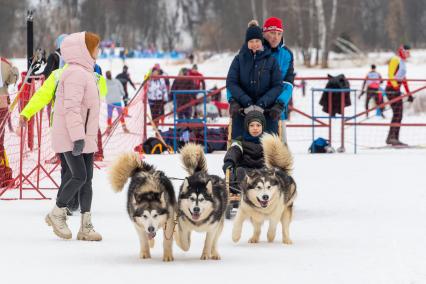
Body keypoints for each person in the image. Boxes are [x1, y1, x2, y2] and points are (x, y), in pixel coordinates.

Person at [45, 31, 102, 241]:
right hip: (71, 136)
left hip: (83, 135)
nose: (99, 50)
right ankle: (57, 213)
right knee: (78, 176)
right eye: (96, 47)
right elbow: (71, 108)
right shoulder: (75, 73)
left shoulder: (86, 72)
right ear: (85, 49)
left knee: (87, 180)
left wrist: (85, 136)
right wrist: (78, 137)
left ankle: (85, 227)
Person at [226, 20, 283, 138]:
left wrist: (262, 103)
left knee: (269, 145)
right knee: (239, 142)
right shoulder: (239, 60)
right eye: (251, 41)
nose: (254, 44)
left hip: (267, 110)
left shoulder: (271, 61)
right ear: (247, 43)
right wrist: (246, 102)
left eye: (257, 41)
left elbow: (277, 85)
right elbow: (231, 82)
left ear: (262, 42)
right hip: (243, 109)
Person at [222, 110, 265, 193]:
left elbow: (276, 155)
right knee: (239, 171)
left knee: (269, 171)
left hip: (262, 173)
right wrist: (229, 161)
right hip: (245, 173)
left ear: (262, 127)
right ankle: (239, 190)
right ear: (247, 127)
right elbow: (234, 151)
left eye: (258, 125)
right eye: (252, 125)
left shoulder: (269, 142)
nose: (255, 128)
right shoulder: (240, 141)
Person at [385, 45, 413, 146]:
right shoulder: (395, 59)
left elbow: (404, 79)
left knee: (398, 114)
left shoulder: (402, 62)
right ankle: (392, 138)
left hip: (396, 90)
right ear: (402, 51)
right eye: (407, 52)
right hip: (391, 90)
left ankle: (392, 138)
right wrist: (396, 87)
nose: (408, 54)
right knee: (397, 113)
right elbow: (391, 75)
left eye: (409, 52)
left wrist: (408, 93)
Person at [0, 57, 19, 187]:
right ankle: (4, 175)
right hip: (2, 106)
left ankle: (3, 174)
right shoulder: (4, 63)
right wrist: (14, 69)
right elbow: (13, 78)